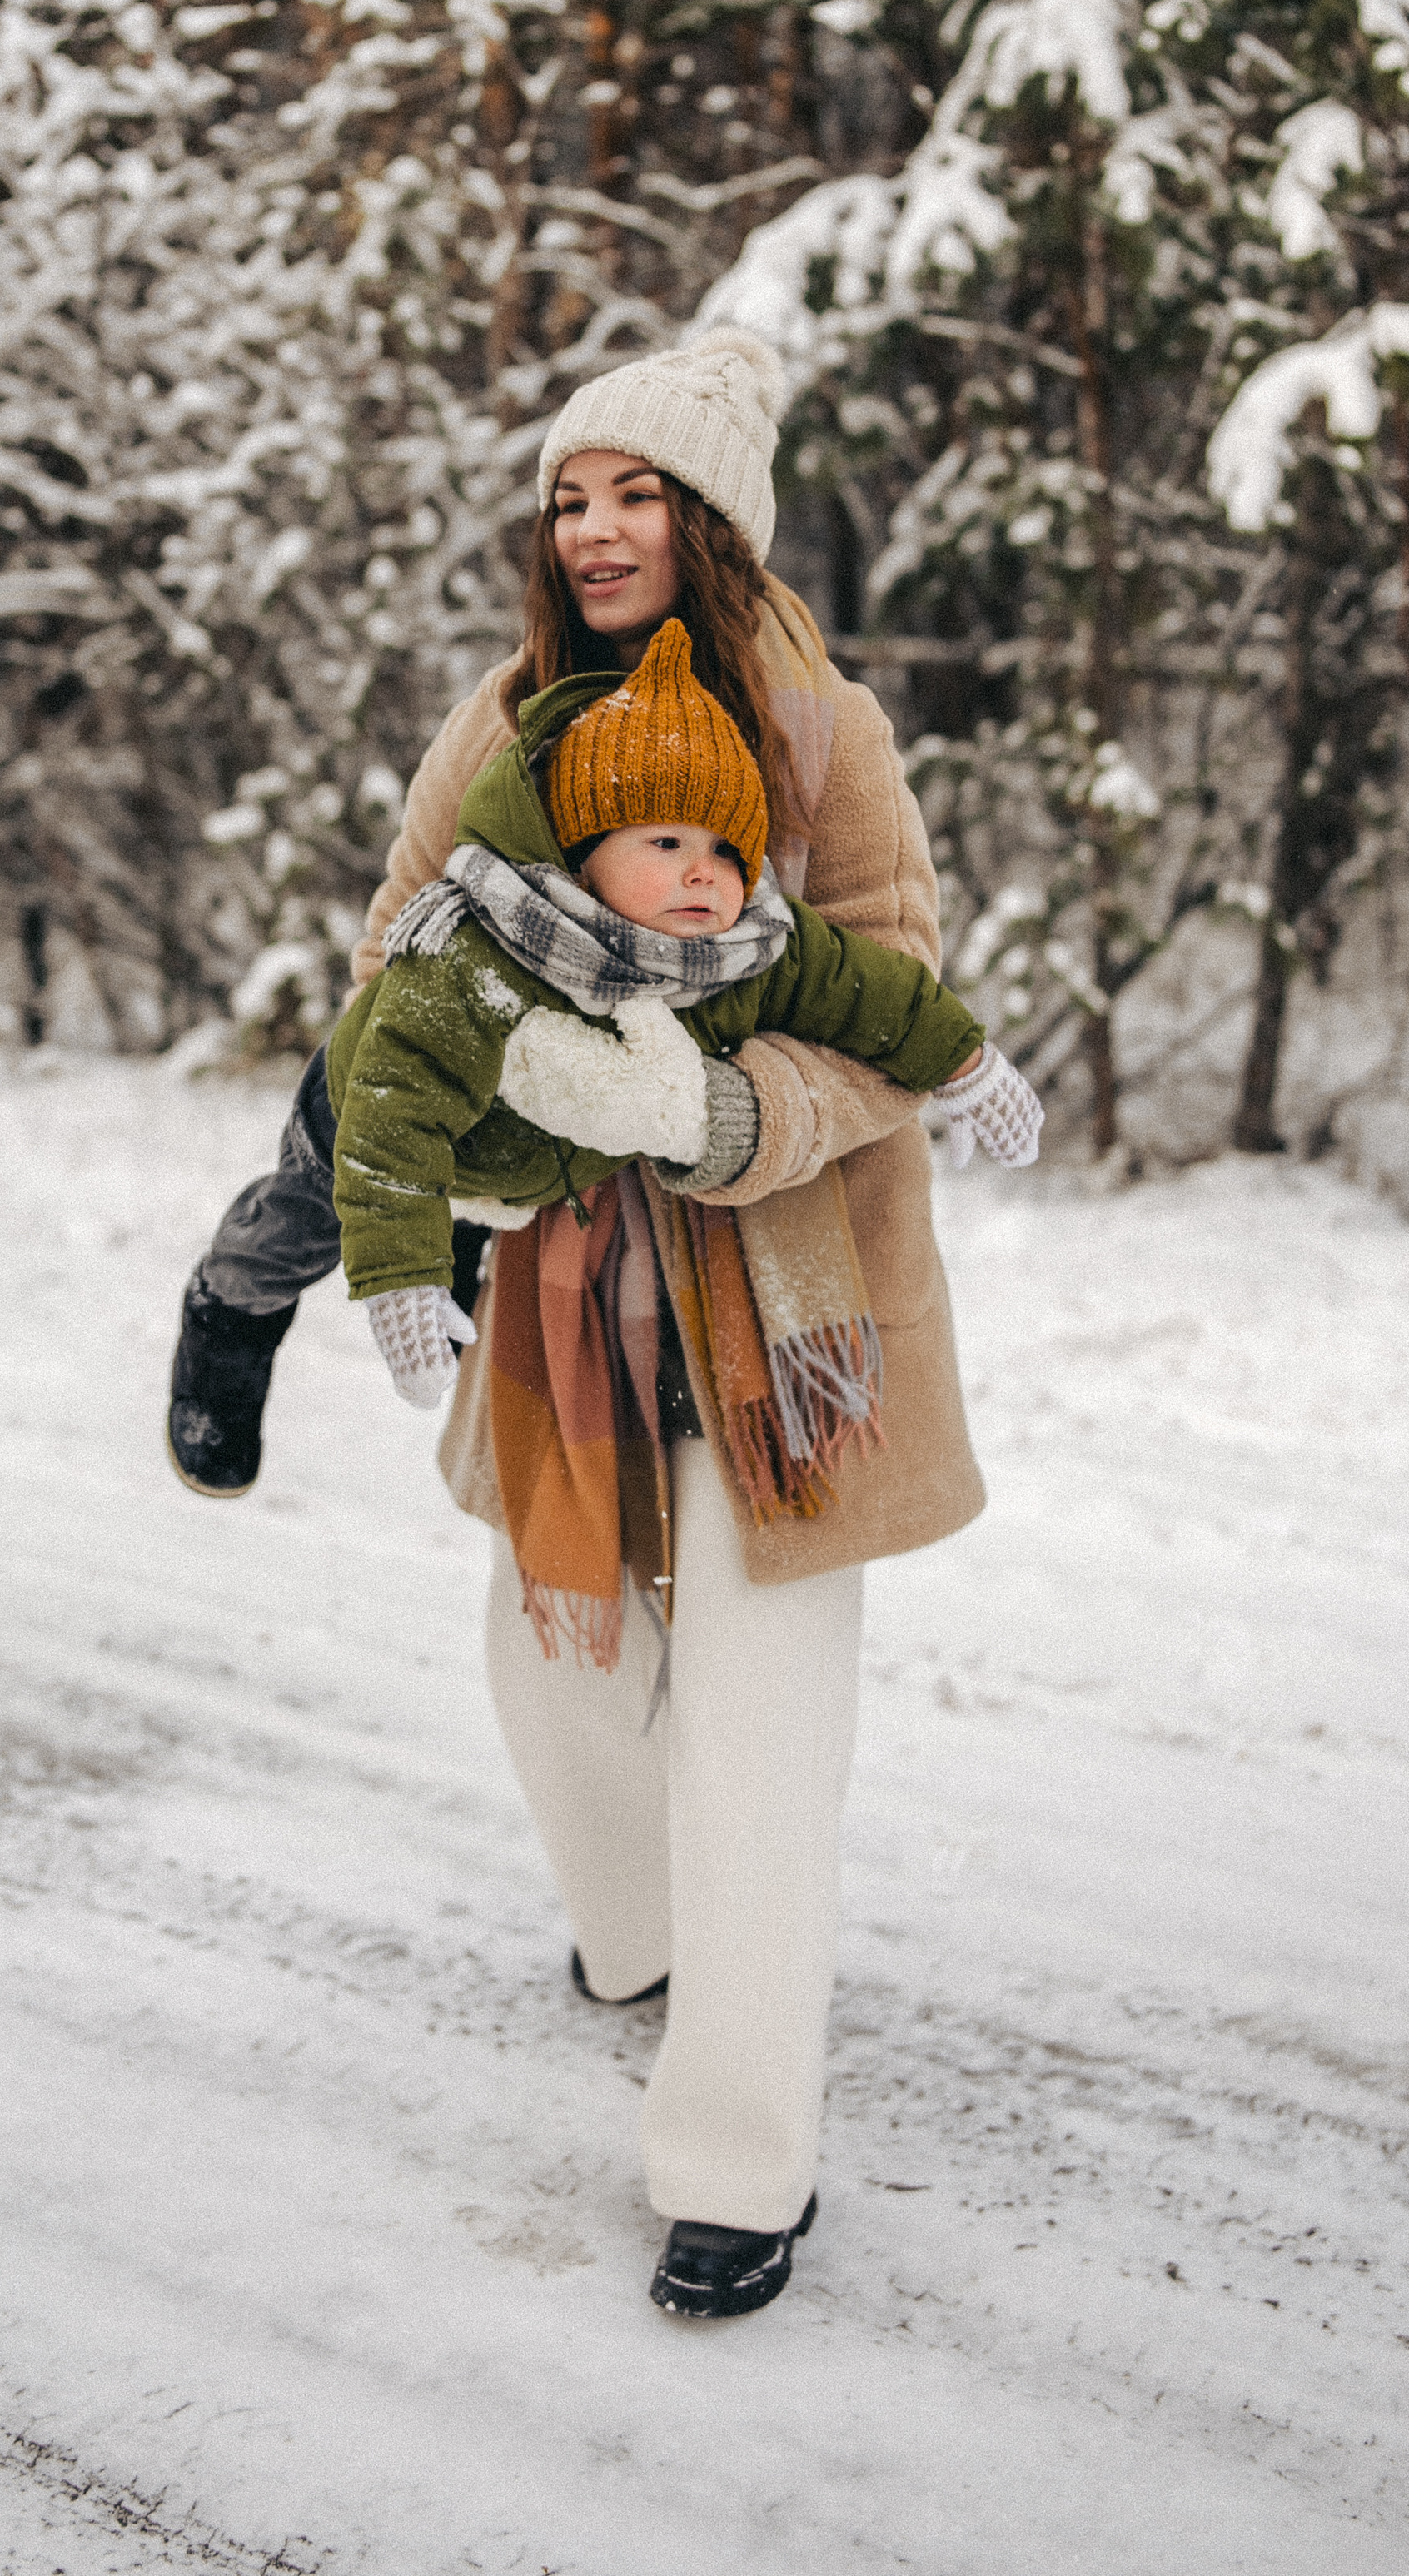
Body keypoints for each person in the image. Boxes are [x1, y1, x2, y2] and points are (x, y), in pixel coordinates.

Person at [168, 328, 1028, 2318]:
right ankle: (634, 1938)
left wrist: (717, 1112)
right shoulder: (503, 721)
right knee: (551, 1674)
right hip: (560, 1284)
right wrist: (462, 1134)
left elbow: (889, 1009)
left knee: (754, 1729)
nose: (597, 525)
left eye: (636, 491)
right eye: (571, 495)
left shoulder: (826, 737)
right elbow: (394, 954)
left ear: (708, 519)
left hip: (788, 1304)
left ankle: (738, 2155)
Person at [320, 613, 1038, 1431]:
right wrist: (400, 1277)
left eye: (730, 852)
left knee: (460, 1212)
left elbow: (869, 991)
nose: (705, 871)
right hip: (360, 1110)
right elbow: (394, 1112)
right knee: (300, 1223)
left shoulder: (746, 949)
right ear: (585, 854)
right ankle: (235, 1305)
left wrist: (963, 1065)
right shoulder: (486, 949)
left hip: (517, 1170)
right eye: (665, 841)